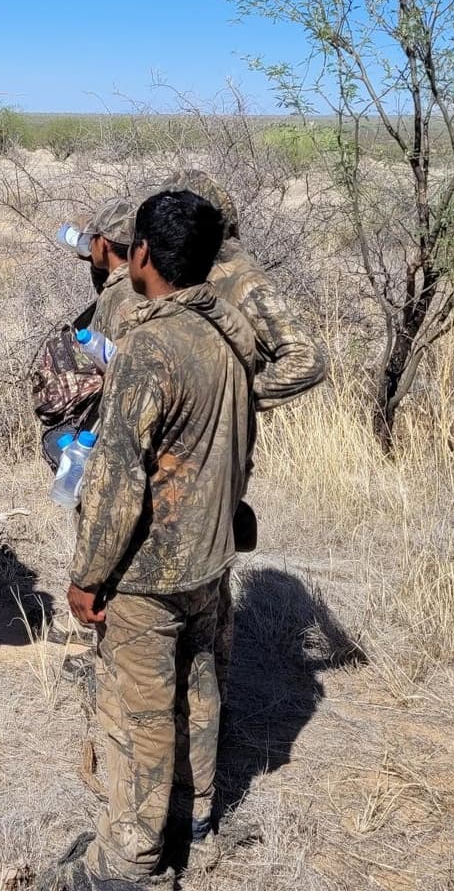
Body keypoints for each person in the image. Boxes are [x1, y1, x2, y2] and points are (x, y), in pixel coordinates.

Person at [41, 190, 255, 891]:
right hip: (209, 557)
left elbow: (115, 479)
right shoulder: (229, 335)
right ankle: (194, 823)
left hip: (148, 572)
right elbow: (236, 451)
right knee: (200, 692)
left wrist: (87, 575)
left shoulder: (150, 346)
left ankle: (129, 861)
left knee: (138, 713)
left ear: (142, 257)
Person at [162, 170, 326, 707]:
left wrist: (236, 394)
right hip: (182, 445)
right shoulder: (193, 272)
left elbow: (306, 359)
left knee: (209, 580)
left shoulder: (244, 281)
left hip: (222, 449)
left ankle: (212, 706)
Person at [72, 196, 139, 342]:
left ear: (103, 243)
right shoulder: (141, 280)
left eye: (92, 237)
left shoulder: (125, 298)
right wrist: (95, 265)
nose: (89, 243)